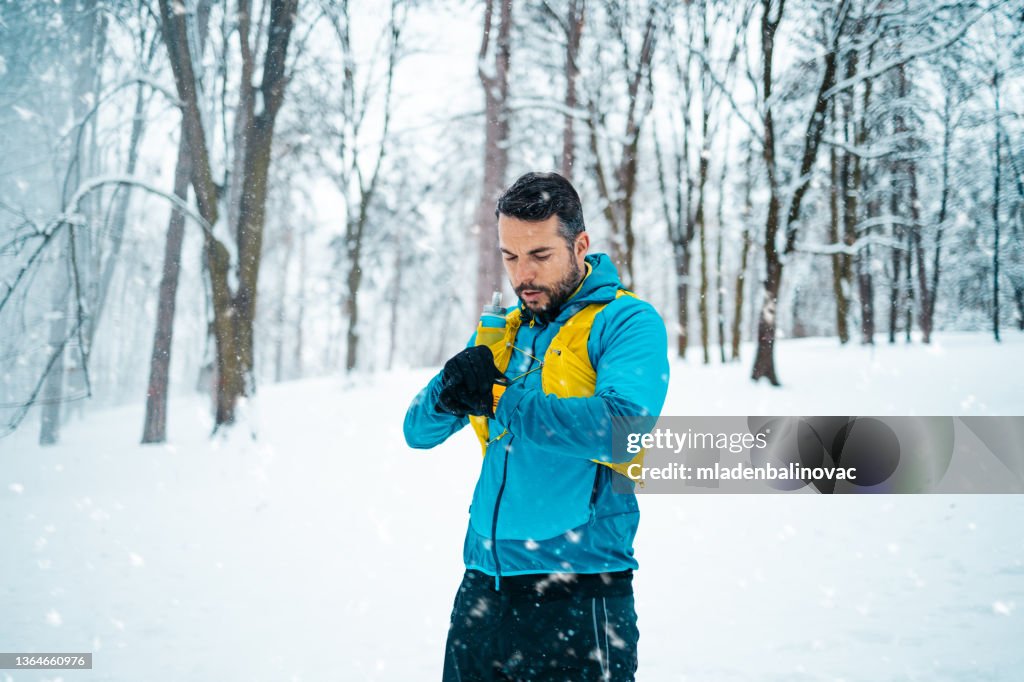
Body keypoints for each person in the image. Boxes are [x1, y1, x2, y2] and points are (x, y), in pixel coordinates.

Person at [403, 171, 669, 681]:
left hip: (580, 590)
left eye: (540, 256)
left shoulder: (627, 322)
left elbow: (623, 428)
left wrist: (500, 397)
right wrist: (451, 384)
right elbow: (419, 431)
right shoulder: (504, 331)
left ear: (580, 245)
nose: (522, 275)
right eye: (510, 257)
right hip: (483, 587)